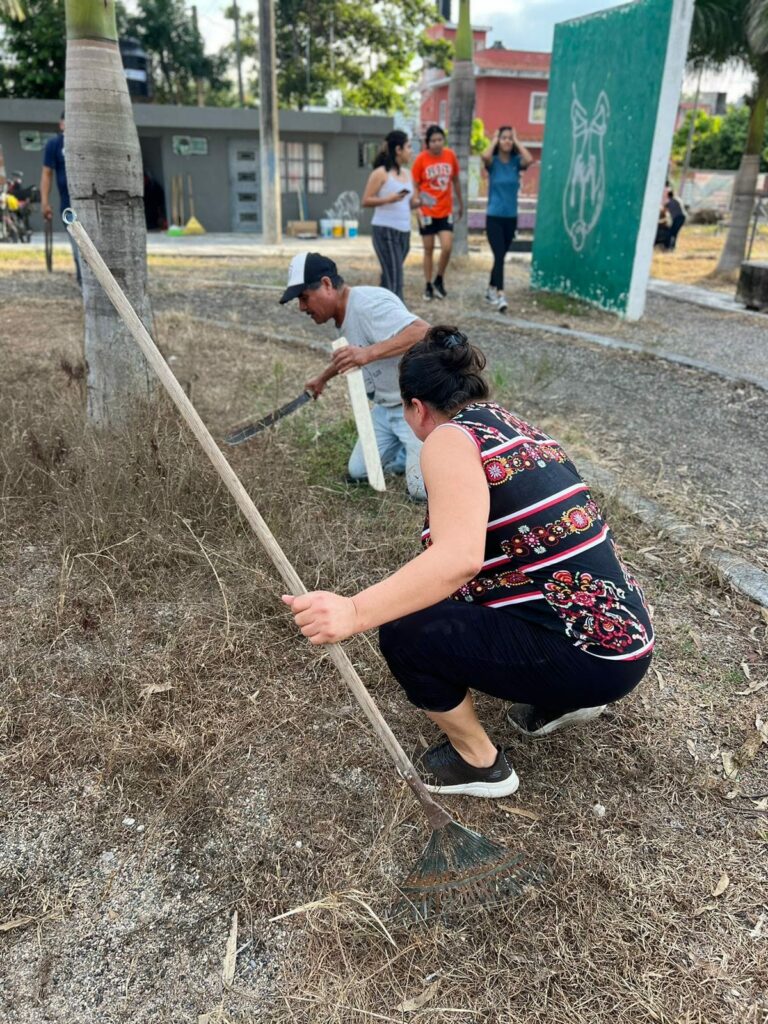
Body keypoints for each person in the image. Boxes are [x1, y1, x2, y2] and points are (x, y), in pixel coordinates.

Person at [283, 327, 654, 799]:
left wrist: (354, 611)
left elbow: (457, 561)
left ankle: (479, 763)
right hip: (624, 639)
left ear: (416, 407)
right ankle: (565, 700)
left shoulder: (448, 439)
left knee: (406, 631)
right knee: (465, 598)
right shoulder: (512, 425)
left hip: (593, 659)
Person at [279, 251, 429, 500]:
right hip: (384, 409)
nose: (302, 307)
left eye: (304, 297)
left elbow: (424, 332)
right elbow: (351, 355)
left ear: (327, 284)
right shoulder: (342, 312)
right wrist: (322, 379)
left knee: (420, 491)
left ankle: (423, 444)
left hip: (415, 407)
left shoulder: (369, 304)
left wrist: (369, 353)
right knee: (358, 472)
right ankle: (407, 452)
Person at [481, 127, 533, 313]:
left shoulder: (516, 162)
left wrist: (517, 140)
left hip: (511, 217)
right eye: (504, 138)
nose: (507, 141)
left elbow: (530, 160)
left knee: (500, 256)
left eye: (510, 139)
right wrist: (494, 140)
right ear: (498, 140)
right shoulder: (493, 163)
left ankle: (490, 289)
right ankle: (501, 294)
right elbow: (484, 156)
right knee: (499, 255)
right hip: (494, 216)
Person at [411, 125, 463, 301]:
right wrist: (417, 206)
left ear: (444, 140)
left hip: (445, 209)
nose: (437, 143)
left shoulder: (450, 156)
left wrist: (461, 203)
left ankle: (439, 279)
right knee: (428, 249)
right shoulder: (421, 159)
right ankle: (427, 285)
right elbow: (416, 185)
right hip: (426, 210)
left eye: (439, 139)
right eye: (433, 140)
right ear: (428, 143)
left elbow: (455, 180)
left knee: (447, 246)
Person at [361, 130, 414, 301]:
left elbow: (408, 203)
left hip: (404, 231)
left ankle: (376, 312)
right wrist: (388, 199)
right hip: (385, 231)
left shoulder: (407, 173)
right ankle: (401, 321)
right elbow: (366, 200)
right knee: (395, 281)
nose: (410, 151)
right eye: (408, 147)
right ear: (398, 149)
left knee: (389, 277)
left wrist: (421, 203)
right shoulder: (381, 173)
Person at [40, 111, 81, 286]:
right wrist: (45, 202)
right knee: (78, 248)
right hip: (68, 206)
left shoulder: (84, 142)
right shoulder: (55, 144)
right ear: (61, 124)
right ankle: (82, 281)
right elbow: (47, 174)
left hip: (90, 205)